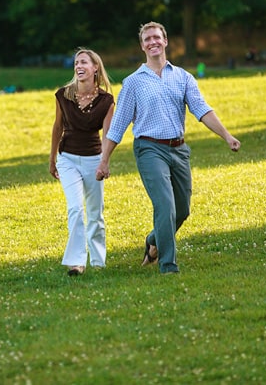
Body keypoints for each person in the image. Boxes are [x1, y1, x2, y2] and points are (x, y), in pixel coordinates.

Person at [96, 22, 241, 274]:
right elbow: (118, 125)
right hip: (149, 149)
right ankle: (168, 265)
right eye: (147, 39)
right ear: (142, 46)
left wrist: (226, 136)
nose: (152, 42)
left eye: (156, 37)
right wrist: (104, 160)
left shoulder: (183, 77)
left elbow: (202, 110)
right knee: (165, 205)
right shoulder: (133, 82)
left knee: (182, 209)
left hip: (179, 149)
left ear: (165, 41)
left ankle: (153, 241)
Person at [49, 48, 115, 276]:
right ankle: (76, 262)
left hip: (93, 159)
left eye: (84, 62)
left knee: (95, 213)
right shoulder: (63, 95)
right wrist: (52, 159)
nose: (79, 66)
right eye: (77, 62)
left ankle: (98, 261)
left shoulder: (106, 101)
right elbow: (57, 127)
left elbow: (108, 134)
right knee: (76, 209)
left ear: (95, 68)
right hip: (67, 158)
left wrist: (104, 162)